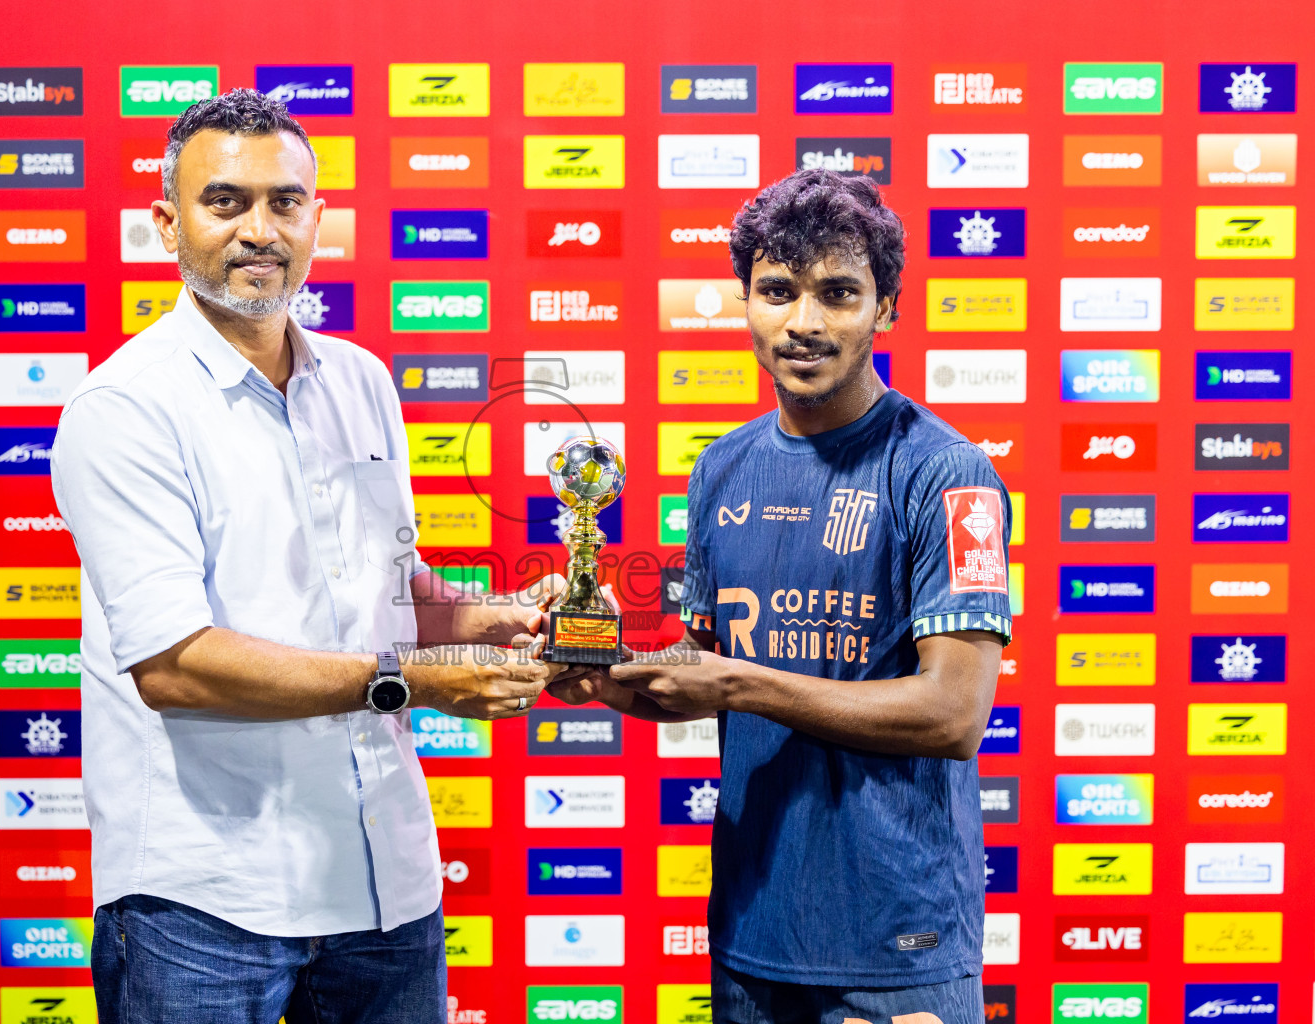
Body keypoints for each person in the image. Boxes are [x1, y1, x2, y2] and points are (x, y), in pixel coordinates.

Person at [52, 89, 566, 1024]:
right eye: (226, 202)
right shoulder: (123, 408)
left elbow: (388, 590)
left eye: (284, 202)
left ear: (316, 220)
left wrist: (498, 620)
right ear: (167, 225)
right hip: (204, 900)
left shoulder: (362, 381)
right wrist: (416, 681)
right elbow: (174, 665)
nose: (260, 229)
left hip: (385, 884)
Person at [552, 167, 1011, 1024]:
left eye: (838, 293)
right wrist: (603, 670)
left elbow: (954, 714)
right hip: (751, 927)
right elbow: (702, 668)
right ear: (746, 302)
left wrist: (737, 682)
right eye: (777, 291)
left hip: (897, 944)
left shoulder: (948, 474)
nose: (804, 322)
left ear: (886, 307)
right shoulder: (720, 467)